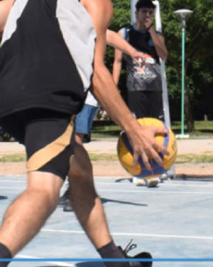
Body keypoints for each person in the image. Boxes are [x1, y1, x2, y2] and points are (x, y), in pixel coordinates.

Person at [0, 0, 163, 267]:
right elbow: (97, 72)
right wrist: (133, 128)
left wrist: (4, 75)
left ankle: (114, 258)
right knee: (45, 189)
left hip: (9, 101)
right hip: (47, 101)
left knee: (80, 168)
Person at [60, 31, 151, 211]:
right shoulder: (58, 19)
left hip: (86, 93)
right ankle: (74, 185)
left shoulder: (83, 19)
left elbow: (107, 35)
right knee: (64, 143)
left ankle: (78, 189)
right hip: (65, 90)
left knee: (75, 141)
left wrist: (132, 52)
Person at [112, 0, 169, 122]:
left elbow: (164, 56)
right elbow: (118, 61)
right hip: (135, 88)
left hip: (155, 87)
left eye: (150, 12)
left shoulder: (157, 35)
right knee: (138, 124)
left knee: (156, 124)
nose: (147, 15)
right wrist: (114, 86)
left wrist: (151, 31)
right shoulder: (124, 33)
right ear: (136, 13)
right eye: (144, 12)